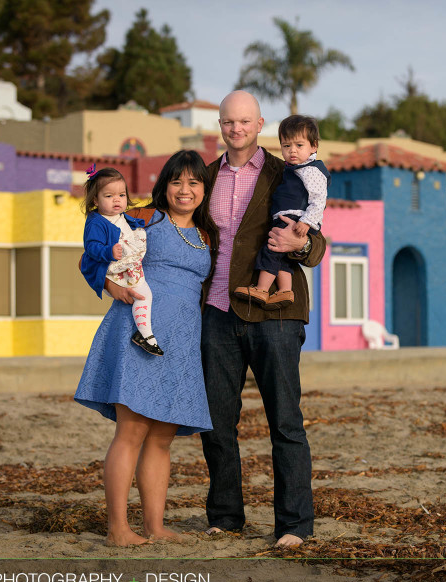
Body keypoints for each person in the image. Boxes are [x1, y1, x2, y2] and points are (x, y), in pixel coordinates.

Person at [199, 90, 326, 548]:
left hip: (275, 315)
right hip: (215, 311)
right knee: (216, 422)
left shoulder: (285, 170)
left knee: (286, 422)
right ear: (220, 125)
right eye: (228, 122)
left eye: (245, 121)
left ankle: (294, 525)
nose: (236, 129)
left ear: (259, 124)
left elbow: (317, 240)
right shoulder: (204, 178)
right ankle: (226, 516)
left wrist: (302, 246)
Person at [75, 150, 219, 547]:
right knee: (132, 431)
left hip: (183, 345)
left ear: (204, 189)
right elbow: (90, 253)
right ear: (164, 185)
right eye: (177, 181)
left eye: (194, 182)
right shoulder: (142, 217)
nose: (184, 190)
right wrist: (110, 284)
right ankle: (118, 528)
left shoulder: (208, 234)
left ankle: (155, 526)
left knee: (161, 438)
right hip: (139, 335)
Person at [233, 114, 329, 310]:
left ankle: (261, 288)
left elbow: (319, 201)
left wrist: (306, 222)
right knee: (283, 257)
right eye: (286, 146)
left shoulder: (311, 171)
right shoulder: (292, 169)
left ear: (314, 146)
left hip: (295, 218)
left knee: (271, 249)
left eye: (299, 145)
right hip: (287, 216)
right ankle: (285, 290)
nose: (292, 151)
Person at [79, 166, 164, 356]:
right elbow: (91, 247)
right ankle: (145, 335)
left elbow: (129, 229)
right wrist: (108, 251)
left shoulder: (121, 217)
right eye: (109, 196)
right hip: (114, 270)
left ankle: (146, 334)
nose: (116, 200)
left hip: (128, 266)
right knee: (143, 295)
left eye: (121, 195)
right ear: (95, 199)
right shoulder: (97, 221)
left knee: (144, 295)